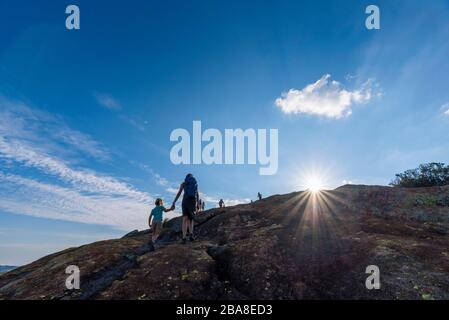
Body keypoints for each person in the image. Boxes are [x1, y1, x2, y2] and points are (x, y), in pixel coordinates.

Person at [172, 173, 199, 244]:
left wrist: (174, 201)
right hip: (192, 202)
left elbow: (179, 193)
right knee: (191, 219)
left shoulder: (184, 183)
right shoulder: (195, 183)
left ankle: (184, 238)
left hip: (185, 201)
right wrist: (197, 204)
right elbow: (197, 194)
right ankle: (191, 235)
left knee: (185, 219)